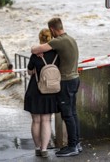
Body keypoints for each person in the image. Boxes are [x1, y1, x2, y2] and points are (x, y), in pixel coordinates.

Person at [31, 17, 82, 157]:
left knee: (67, 114)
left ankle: (72, 147)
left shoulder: (57, 41)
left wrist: (34, 49)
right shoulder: (71, 39)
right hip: (75, 79)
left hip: (65, 82)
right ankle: (77, 143)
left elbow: (36, 49)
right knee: (73, 112)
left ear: (52, 29)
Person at [24, 28, 60, 158]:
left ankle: (37, 148)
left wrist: (35, 70)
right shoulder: (57, 54)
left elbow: (29, 71)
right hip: (50, 90)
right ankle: (45, 149)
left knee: (36, 121)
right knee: (47, 120)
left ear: (40, 39)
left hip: (35, 88)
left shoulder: (36, 54)